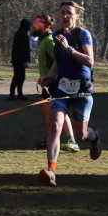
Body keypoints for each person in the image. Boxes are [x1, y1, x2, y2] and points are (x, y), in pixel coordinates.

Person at [37, 1, 101, 187]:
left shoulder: (83, 34)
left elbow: (89, 61)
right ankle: (51, 171)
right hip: (62, 88)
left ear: (77, 15)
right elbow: (59, 63)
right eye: (62, 12)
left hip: (82, 90)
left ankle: (95, 137)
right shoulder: (57, 35)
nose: (65, 16)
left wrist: (69, 49)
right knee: (55, 125)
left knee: (81, 134)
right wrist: (49, 76)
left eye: (69, 13)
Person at [32, 14, 79, 152]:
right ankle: (50, 139)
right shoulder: (43, 40)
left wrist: (50, 76)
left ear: (43, 25)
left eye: (36, 23)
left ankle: (72, 141)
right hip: (46, 82)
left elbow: (58, 59)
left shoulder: (49, 40)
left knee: (59, 111)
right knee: (47, 110)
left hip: (52, 82)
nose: (34, 25)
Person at [9, 18, 32, 100]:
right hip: (20, 60)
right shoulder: (23, 34)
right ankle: (15, 94)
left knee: (18, 76)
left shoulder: (19, 33)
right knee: (19, 77)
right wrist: (25, 60)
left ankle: (16, 94)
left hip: (16, 59)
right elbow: (24, 49)